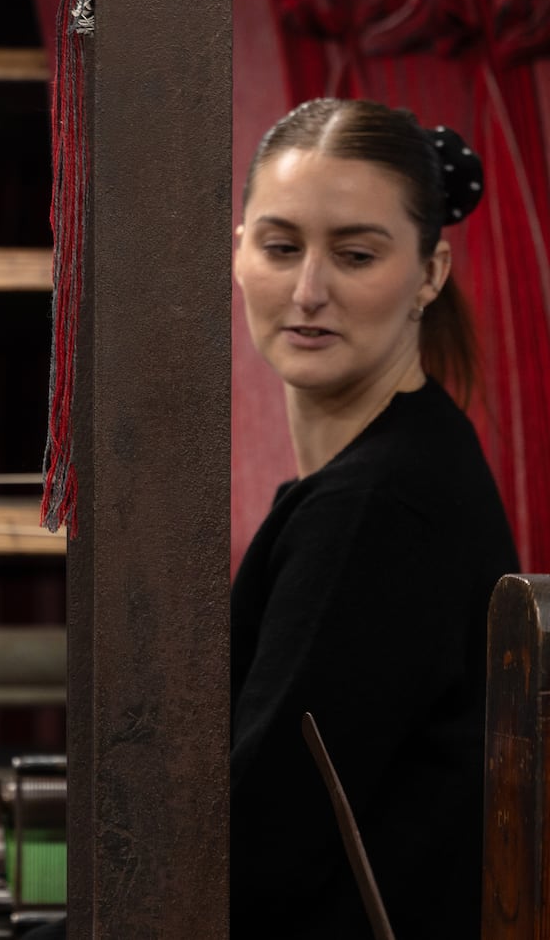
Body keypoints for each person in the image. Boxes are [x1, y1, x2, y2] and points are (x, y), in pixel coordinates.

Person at [230, 98, 519, 938]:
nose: (309, 290)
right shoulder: (401, 466)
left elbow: (251, 852)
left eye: (355, 255)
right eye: (281, 247)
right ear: (237, 250)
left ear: (431, 272)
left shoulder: (377, 508)